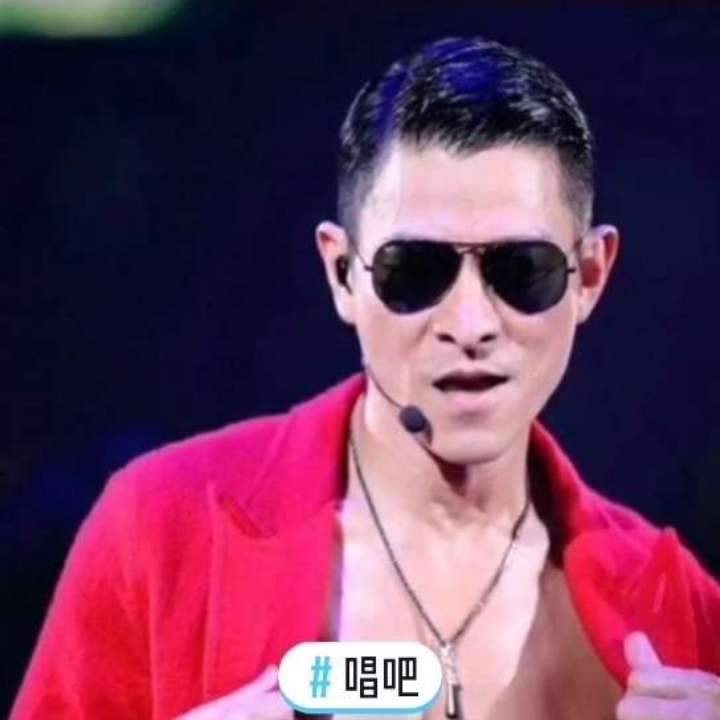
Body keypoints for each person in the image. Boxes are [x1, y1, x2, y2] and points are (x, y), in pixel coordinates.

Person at [11, 35, 720, 720]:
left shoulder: (678, 609)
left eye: (521, 270)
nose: (470, 323)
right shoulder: (160, 531)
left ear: (589, 275)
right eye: (416, 270)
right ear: (343, 273)